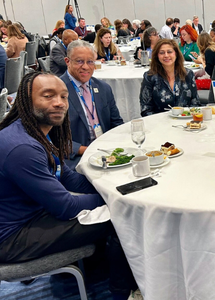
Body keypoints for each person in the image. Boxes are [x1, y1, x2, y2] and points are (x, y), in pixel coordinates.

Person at [0, 71, 138, 300]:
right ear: (25, 99)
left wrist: (115, 185)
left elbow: (68, 177)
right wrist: (119, 196)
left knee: (109, 208)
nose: (59, 103)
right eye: (48, 95)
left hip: (31, 216)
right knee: (121, 218)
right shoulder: (22, 148)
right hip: (12, 238)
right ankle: (122, 293)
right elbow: (65, 206)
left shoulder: (35, 132)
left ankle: (98, 268)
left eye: (64, 97)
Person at [60, 40, 124, 169]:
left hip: (107, 153)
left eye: (90, 62)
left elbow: (116, 122)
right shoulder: (57, 91)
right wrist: (87, 150)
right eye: (79, 61)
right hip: (75, 159)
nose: (85, 67)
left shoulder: (103, 88)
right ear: (67, 62)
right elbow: (52, 138)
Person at [140, 39, 199, 116]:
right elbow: (145, 109)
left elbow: (195, 103)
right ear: (157, 56)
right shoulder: (149, 77)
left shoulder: (188, 74)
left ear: (176, 54)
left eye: (169, 52)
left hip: (185, 122)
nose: (166, 55)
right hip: (159, 124)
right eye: (162, 53)